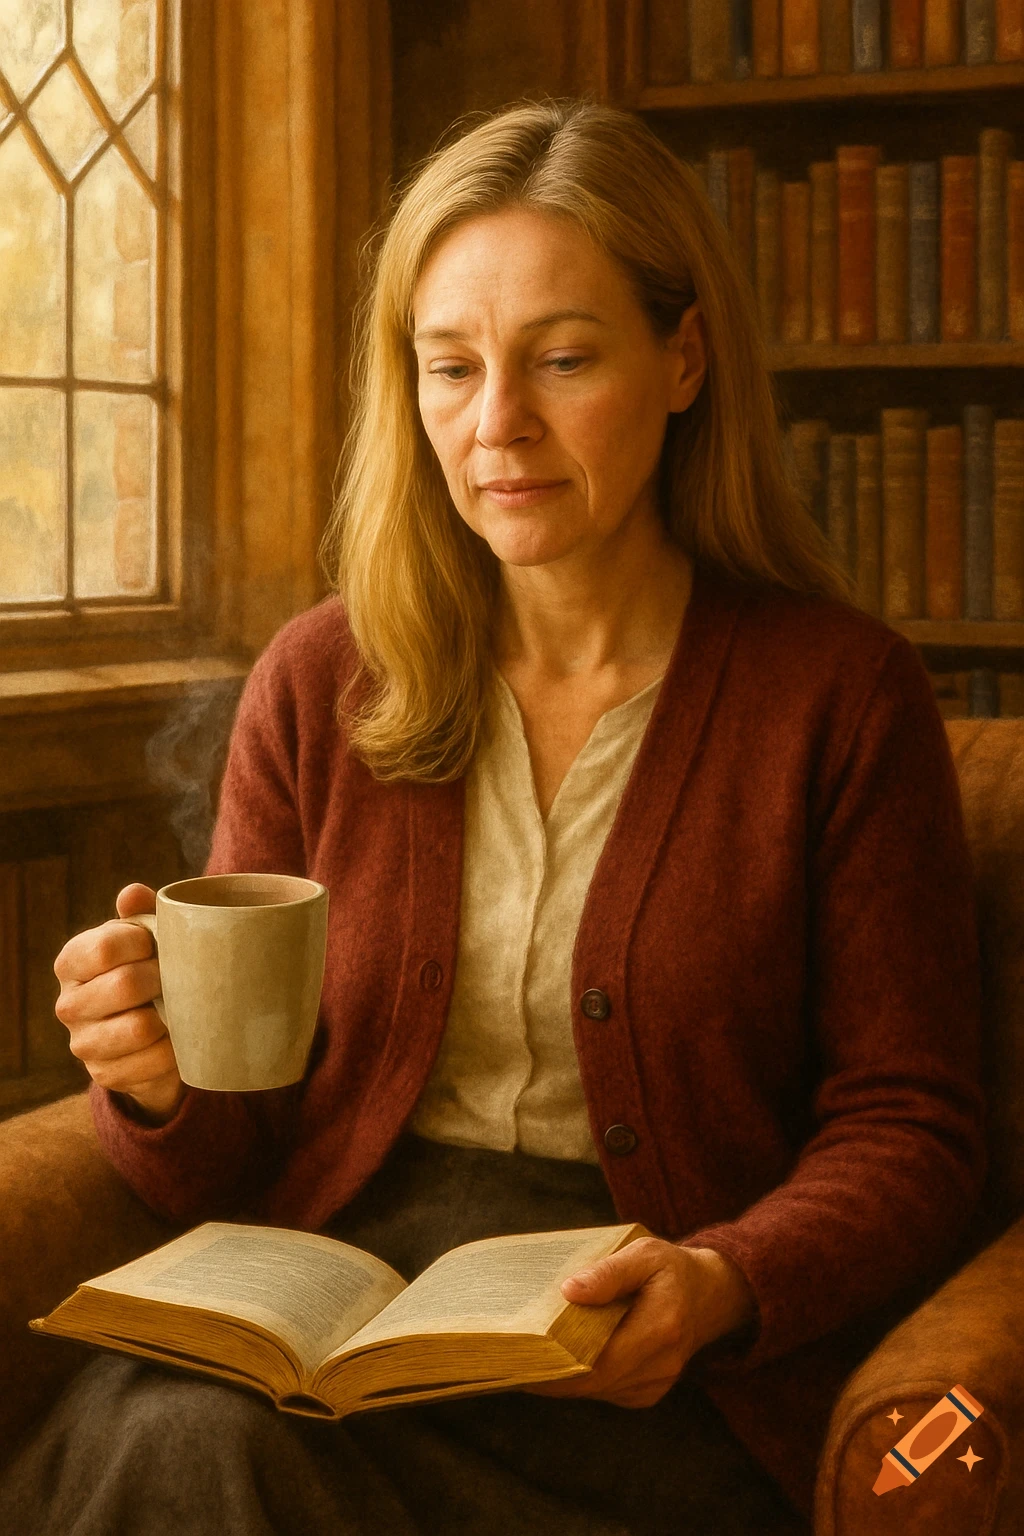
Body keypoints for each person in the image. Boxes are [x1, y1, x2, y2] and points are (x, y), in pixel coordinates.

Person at [0, 100, 985, 1535]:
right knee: (171, 1430)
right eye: (449, 367)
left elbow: (915, 1127)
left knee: (192, 1456)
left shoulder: (836, 697)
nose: (495, 424)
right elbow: (224, 1145)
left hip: (644, 1368)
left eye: (564, 360)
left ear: (683, 359)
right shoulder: (322, 679)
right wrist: (155, 1079)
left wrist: (727, 1281)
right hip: (353, 1304)